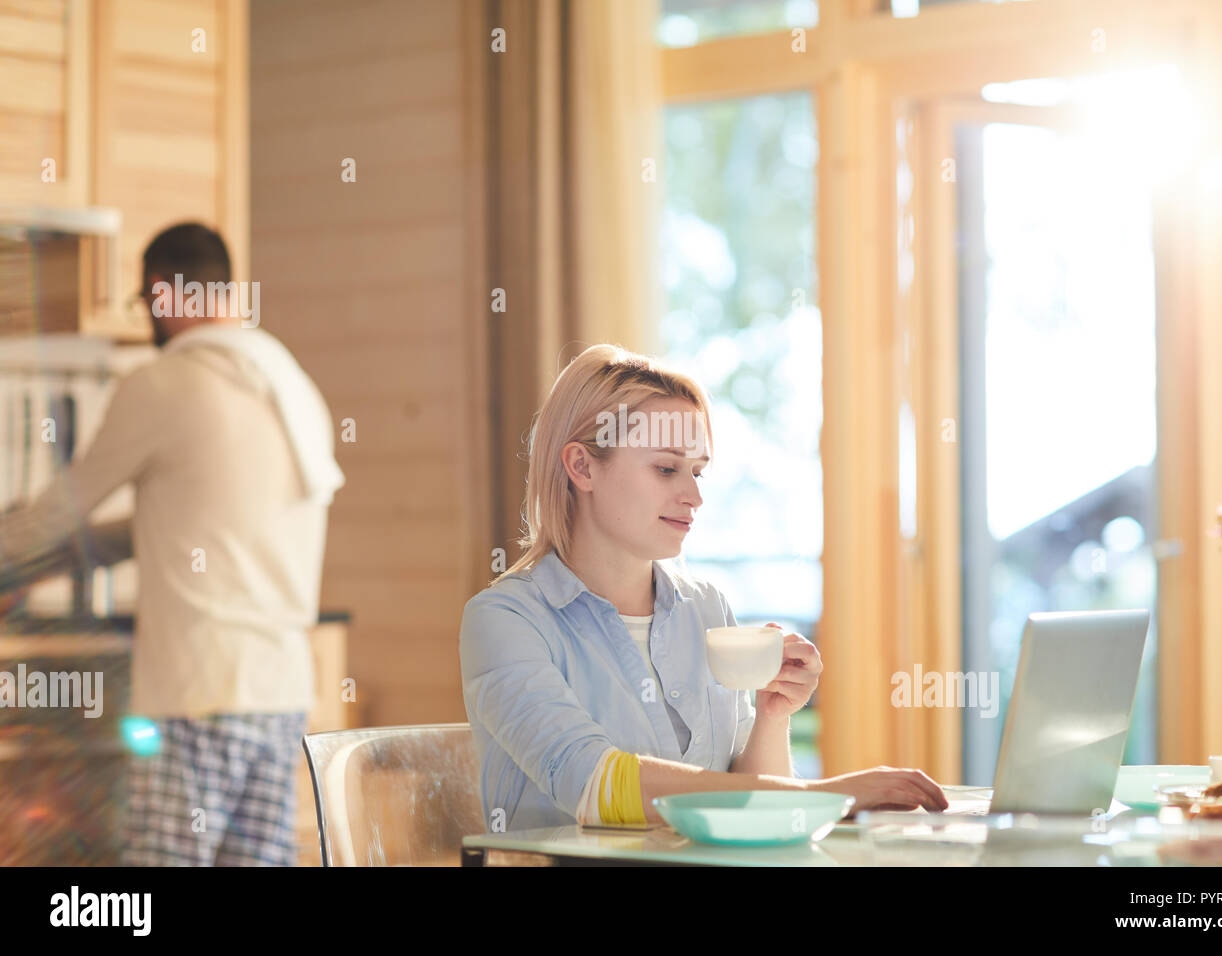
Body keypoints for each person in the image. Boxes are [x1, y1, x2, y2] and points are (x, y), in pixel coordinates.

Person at [459, 344, 947, 831]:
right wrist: (828, 795)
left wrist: (771, 716)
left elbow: (755, 816)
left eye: (697, 471)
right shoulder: (505, 620)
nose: (693, 496)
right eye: (666, 469)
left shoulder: (708, 608)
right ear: (583, 467)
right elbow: (594, 786)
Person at [0, 222, 343, 864]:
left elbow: (55, 515)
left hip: (198, 691)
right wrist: (56, 557)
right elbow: (173, 528)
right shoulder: (294, 386)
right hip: (280, 692)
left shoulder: (161, 386)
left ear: (162, 292)